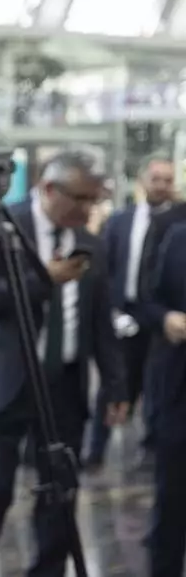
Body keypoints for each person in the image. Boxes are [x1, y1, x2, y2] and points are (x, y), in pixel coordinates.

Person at [0, 149, 129, 577]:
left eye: (94, 201)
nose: (89, 209)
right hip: (6, 380)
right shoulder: (4, 225)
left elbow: (100, 321)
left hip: (65, 385)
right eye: (81, 199)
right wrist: (42, 280)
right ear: (50, 189)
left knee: (59, 492)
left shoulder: (91, 241)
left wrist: (116, 384)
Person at [83, 154, 174, 470]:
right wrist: (110, 310)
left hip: (163, 320)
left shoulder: (180, 222)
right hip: (123, 316)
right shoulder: (121, 220)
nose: (161, 186)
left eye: (168, 180)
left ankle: (152, 451)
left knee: (158, 387)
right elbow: (102, 268)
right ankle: (95, 451)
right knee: (114, 384)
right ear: (143, 181)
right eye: (156, 179)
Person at [145, 223, 186, 577]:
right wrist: (165, 317)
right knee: (171, 506)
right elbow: (148, 298)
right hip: (178, 396)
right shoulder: (177, 238)